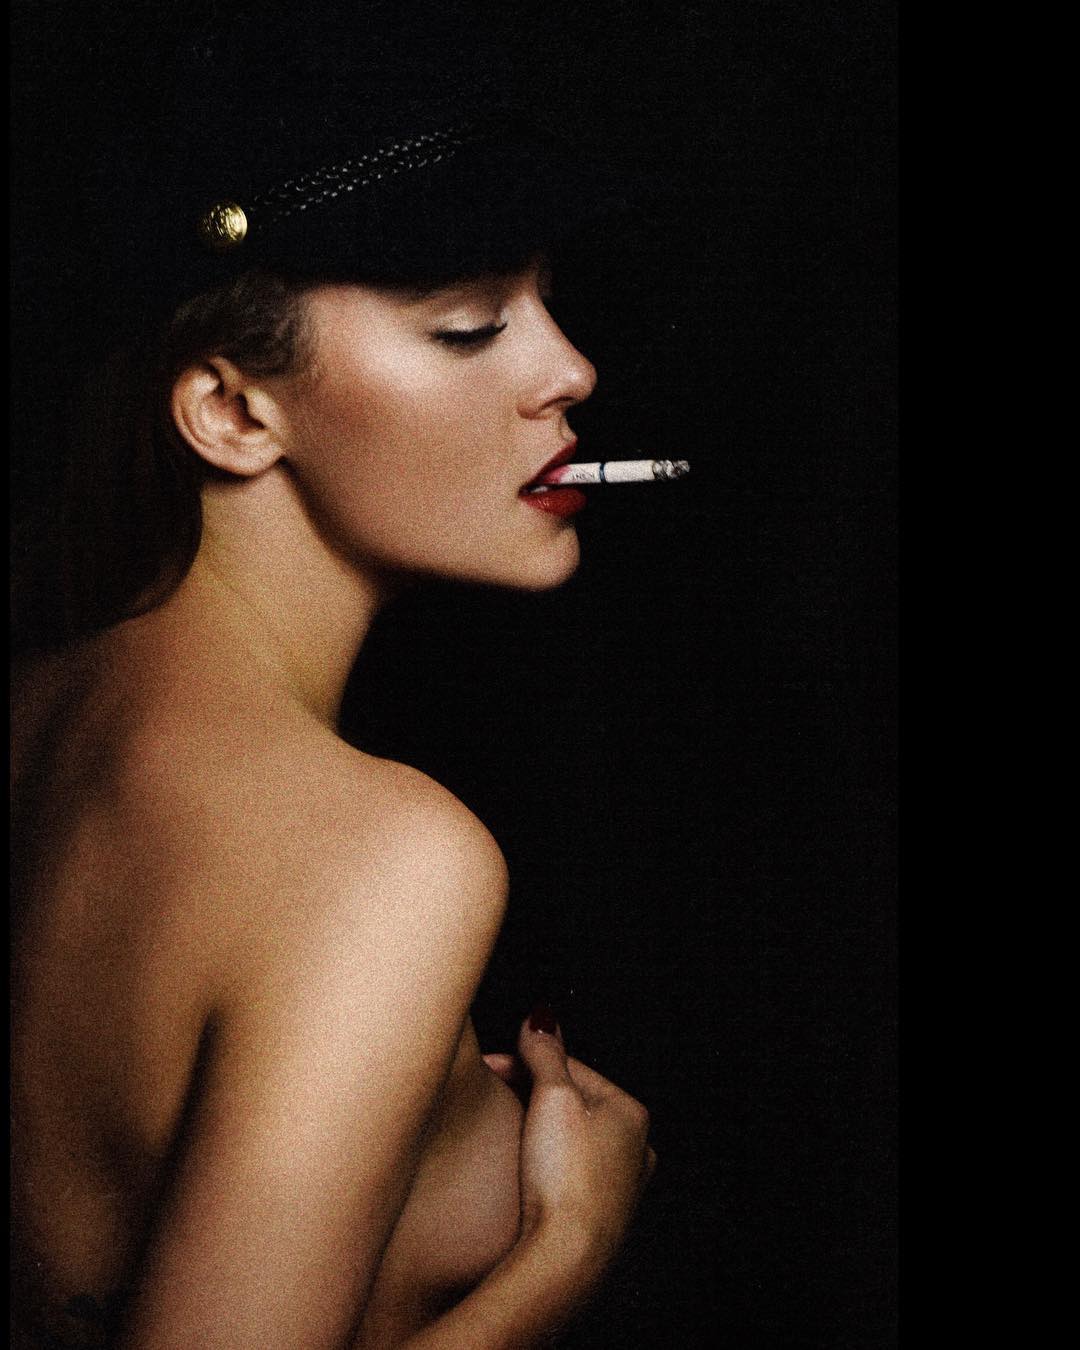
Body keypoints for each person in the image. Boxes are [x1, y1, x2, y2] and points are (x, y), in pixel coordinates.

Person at [10, 5, 658, 1348]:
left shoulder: (39, 717)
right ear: (232, 410)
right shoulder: (390, 861)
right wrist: (564, 1257)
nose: (570, 369)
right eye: (469, 326)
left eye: (545, 301)